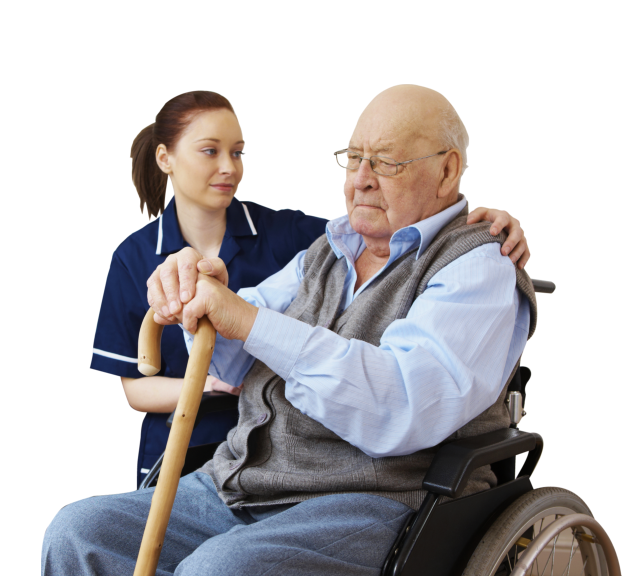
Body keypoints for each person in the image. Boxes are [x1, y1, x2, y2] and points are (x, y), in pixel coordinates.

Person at [47, 85, 535, 576]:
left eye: (386, 163)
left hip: (376, 499)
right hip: (245, 480)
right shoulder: (325, 250)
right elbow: (230, 358)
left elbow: (400, 406)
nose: (359, 181)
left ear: (448, 170)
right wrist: (205, 302)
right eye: (353, 159)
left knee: (218, 570)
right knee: (77, 533)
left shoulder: (478, 263)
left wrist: (244, 318)